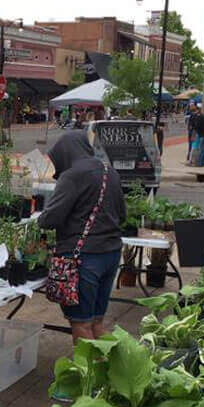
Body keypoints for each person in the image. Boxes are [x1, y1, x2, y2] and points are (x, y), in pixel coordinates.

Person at [38, 127, 126, 347]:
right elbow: (122, 215)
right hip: (111, 254)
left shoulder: (72, 175)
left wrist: (41, 217)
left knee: (81, 325)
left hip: (83, 259)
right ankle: (114, 372)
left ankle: (89, 378)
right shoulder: (110, 171)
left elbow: (50, 219)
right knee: (97, 323)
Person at [186, 103, 204, 167]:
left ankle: (199, 163)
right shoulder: (198, 116)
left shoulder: (199, 116)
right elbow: (194, 125)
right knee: (203, 149)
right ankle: (201, 162)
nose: (194, 113)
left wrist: (192, 131)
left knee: (202, 149)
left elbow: (196, 126)